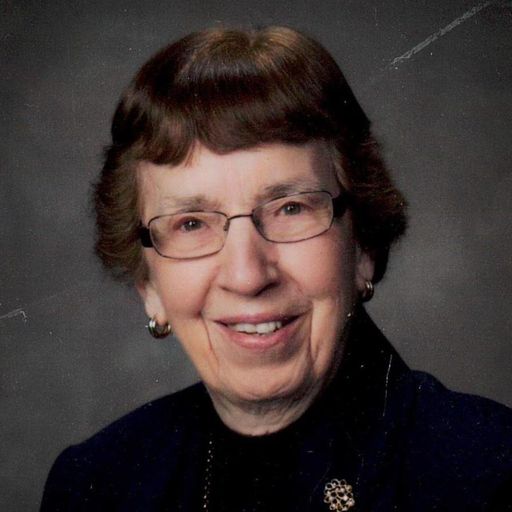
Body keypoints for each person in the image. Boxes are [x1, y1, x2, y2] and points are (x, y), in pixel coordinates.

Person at [41, 26, 512, 511]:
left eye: (290, 208)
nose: (247, 276)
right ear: (148, 283)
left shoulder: (489, 473)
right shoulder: (94, 484)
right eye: (191, 223)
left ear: (363, 245)